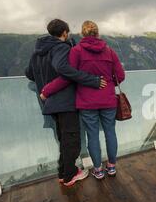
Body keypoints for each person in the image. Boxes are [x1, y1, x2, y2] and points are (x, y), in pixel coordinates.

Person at [25, 19, 107, 187]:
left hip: (49, 103)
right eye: (68, 32)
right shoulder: (61, 47)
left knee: (64, 139)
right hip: (64, 101)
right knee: (72, 140)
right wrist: (92, 80)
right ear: (64, 32)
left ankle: (63, 173)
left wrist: (45, 84)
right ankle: (70, 176)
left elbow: (29, 74)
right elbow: (64, 69)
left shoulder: (37, 52)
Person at [41, 20, 125, 180]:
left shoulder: (76, 51)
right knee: (110, 133)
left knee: (92, 135)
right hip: (108, 100)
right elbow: (120, 76)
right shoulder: (109, 51)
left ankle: (98, 170)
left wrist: (47, 90)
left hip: (87, 102)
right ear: (97, 33)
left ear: (82, 34)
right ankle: (112, 167)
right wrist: (108, 85)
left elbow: (68, 76)